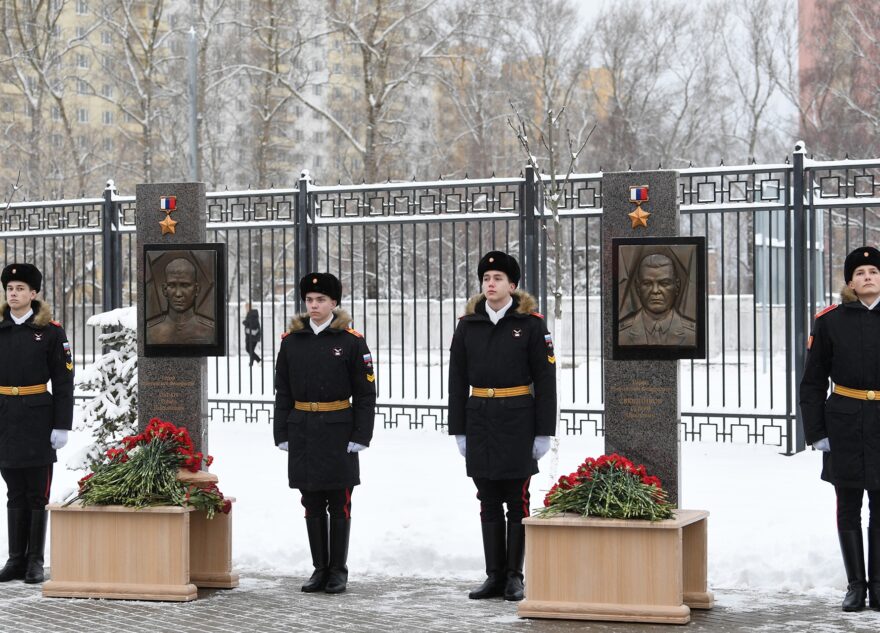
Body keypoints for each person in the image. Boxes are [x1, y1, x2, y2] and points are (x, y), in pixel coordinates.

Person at [448, 250, 557, 602]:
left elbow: (546, 380)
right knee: (487, 500)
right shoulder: (468, 325)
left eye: (497, 278)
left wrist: (543, 432)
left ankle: (514, 576)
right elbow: (456, 379)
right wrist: (459, 429)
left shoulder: (531, 324)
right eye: (486, 279)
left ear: (512, 285)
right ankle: (493, 576)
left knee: (517, 499)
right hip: (480, 417)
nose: (490, 284)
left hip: (517, 419)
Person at [273, 273, 375, 594]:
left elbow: (365, 393)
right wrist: (282, 432)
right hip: (302, 428)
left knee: (339, 501)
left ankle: (338, 570)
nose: (314, 306)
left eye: (321, 300)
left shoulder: (350, 341)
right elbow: (283, 392)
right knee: (311, 501)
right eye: (310, 300)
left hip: (337, 430)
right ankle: (319, 569)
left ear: (334, 303)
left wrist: (361, 433)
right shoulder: (292, 341)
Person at [801, 246, 880, 612]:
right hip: (845, 422)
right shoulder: (830, 321)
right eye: (861, 272)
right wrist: (817, 432)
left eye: (874, 271)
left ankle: (878, 586)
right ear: (850, 281)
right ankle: (856, 587)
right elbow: (813, 381)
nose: (868, 276)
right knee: (848, 505)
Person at [0, 263, 73, 584]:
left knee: (36, 493)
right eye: (9, 288)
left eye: (19, 289)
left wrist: (62, 424)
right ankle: (15, 560)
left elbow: (64, 381)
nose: (13, 294)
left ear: (33, 293)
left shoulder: (51, 331)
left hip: (37, 420)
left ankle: (34, 561)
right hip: (4, 417)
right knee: (14, 491)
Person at [618, 252, 696, 346]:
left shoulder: (692, 334)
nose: (655, 291)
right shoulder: (621, 333)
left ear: (677, 286)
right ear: (638, 287)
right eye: (647, 283)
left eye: (664, 283)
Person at [146, 257, 215, 345]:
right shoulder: (151, 329)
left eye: (185, 285)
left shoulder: (210, 329)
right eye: (172, 285)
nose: (178, 294)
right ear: (164, 290)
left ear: (196, 289)